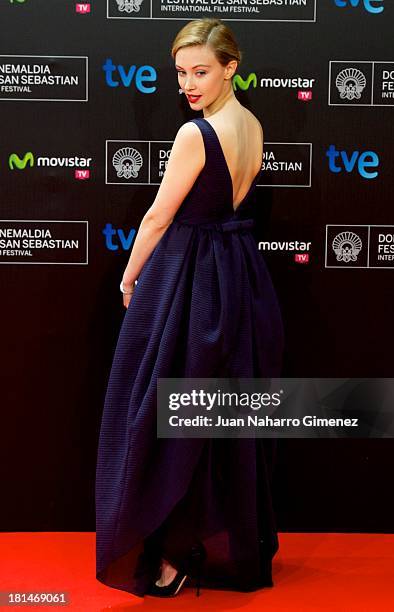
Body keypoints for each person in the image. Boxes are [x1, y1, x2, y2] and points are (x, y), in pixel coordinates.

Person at [95, 17, 285, 599]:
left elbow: (158, 216)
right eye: (181, 73)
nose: (189, 84)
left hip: (193, 282)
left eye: (201, 71)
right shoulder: (251, 124)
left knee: (167, 415)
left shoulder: (195, 134)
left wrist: (130, 279)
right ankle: (198, 547)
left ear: (232, 66)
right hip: (242, 279)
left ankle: (172, 557)